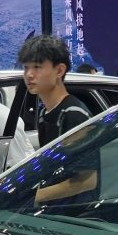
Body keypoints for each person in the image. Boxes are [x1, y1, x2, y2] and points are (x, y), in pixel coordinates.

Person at [20, 35, 96, 205]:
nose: (29, 75)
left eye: (37, 67)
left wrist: (34, 197)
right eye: (26, 68)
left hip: (73, 215)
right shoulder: (44, 112)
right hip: (52, 209)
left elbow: (88, 180)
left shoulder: (73, 114)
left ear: (59, 71)